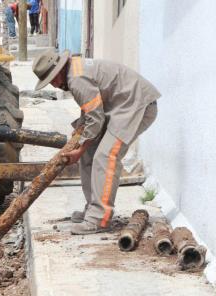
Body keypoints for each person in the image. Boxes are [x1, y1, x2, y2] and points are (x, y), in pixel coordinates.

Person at [32, 50, 161, 235]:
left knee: (106, 156)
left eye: (52, 80)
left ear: (58, 71)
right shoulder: (74, 71)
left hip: (137, 107)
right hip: (120, 108)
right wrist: (81, 140)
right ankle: (93, 209)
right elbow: (91, 111)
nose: (54, 85)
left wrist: (80, 148)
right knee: (88, 153)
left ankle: (99, 219)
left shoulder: (76, 80)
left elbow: (96, 117)